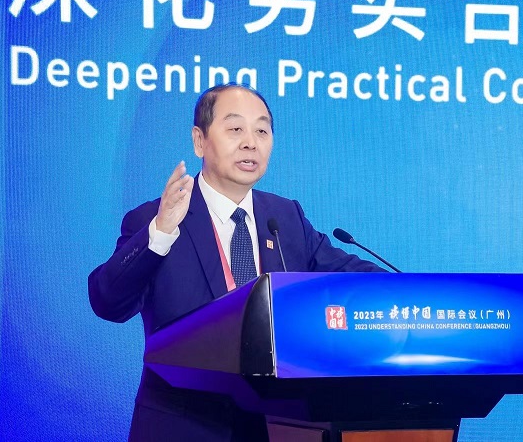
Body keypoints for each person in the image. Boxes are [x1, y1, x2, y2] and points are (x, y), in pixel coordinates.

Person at [88, 83, 382, 441]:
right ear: (199, 141)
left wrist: (411, 296)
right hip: (182, 427)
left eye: (262, 131)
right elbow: (108, 303)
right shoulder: (156, 219)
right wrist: (160, 233)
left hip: (277, 428)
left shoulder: (285, 217)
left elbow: (350, 275)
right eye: (235, 129)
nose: (250, 143)